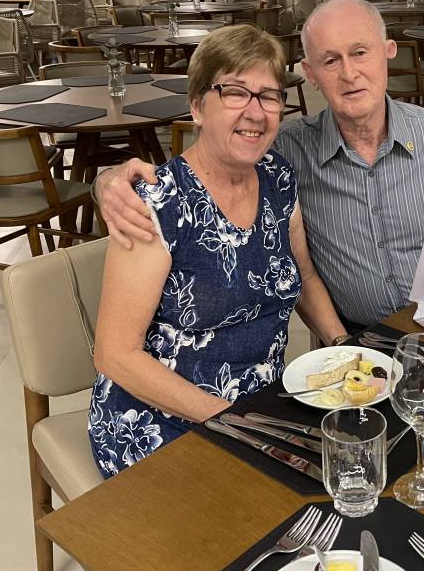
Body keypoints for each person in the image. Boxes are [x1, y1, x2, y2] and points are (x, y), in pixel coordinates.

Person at [94, 0, 424, 331]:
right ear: (311, 74)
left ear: (388, 52)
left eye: (360, 53)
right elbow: (212, 161)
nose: (349, 73)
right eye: (330, 60)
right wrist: (110, 181)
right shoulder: (284, 151)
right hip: (356, 342)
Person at [88, 24, 345, 478]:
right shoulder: (157, 203)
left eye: (269, 96)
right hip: (160, 422)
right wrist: (233, 422)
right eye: (235, 92)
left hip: (260, 408)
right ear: (197, 107)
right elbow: (115, 355)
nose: (255, 111)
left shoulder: (278, 178)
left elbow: (303, 277)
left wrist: (344, 350)